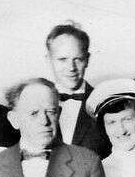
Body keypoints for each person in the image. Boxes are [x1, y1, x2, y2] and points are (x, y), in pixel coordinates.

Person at [44, 22, 109, 157]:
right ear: (48, 60)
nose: (71, 68)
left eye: (78, 59)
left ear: (87, 60)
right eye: (62, 59)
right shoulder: (36, 104)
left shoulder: (105, 106)